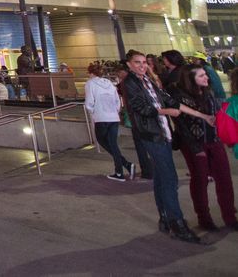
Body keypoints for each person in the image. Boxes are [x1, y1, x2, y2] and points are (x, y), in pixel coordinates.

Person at [121, 49, 198, 242]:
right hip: (153, 136)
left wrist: (201, 114)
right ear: (129, 65)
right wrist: (167, 112)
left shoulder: (148, 81)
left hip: (162, 133)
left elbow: (170, 100)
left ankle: (164, 218)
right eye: (137, 63)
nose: (142, 66)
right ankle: (177, 223)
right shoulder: (129, 83)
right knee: (170, 179)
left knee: (162, 178)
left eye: (144, 62)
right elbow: (142, 108)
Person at [172, 64, 236, 231]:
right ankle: (204, 218)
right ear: (190, 79)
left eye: (205, 75)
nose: (206, 78)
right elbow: (181, 126)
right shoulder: (179, 96)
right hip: (194, 144)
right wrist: (195, 148)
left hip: (214, 140)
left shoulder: (208, 92)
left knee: (224, 178)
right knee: (200, 180)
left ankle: (229, 216)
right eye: (201, 76)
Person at [84, 62, 135, 181]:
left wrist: (94, 112)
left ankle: (123, 168)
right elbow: (118, 101)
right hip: (113, 117)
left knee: (102, 140)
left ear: (91, 73)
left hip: (101, 117)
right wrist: (115, 111)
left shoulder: (90, 83)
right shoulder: (110, 83)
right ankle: (122, 169)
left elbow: (89, 103)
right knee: (113, 144)